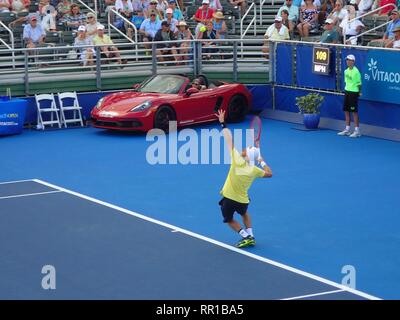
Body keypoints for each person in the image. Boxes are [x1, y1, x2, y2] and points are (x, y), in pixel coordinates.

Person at [216, 109, 272, 248]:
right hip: (243, 200)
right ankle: (251, 234)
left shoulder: (236, 160)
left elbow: (229, 139)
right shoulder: (254, 170)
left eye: (246, 149)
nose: (244, 149)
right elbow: (269, 173)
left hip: (229, 199)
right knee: (245, 213)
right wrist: (261, 160)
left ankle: (246, 236)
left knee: (229, 220)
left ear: (246, 156)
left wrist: (222, 123)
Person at [338, 54, 362, 138]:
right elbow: (346, 82)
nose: (347, 61)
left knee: (354, 112)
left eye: (349, 60)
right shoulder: (345, 71)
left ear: (353, 61)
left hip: (354, 93)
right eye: (347, 60)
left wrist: (359, 92)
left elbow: (359, 84)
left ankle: (357, 131)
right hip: (347, 92)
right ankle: (347, 129)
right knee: (346, 111)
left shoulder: (356, 72)